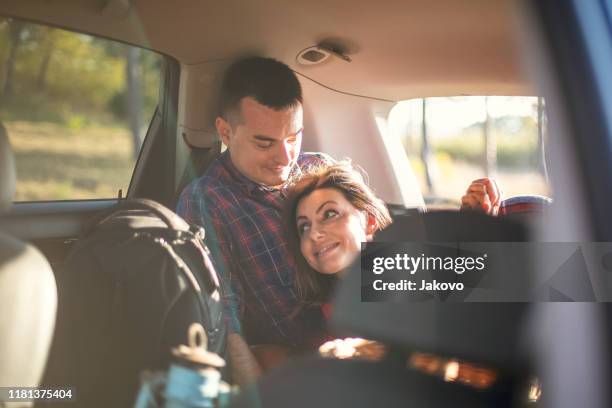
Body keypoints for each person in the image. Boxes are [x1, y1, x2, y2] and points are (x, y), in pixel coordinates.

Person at [176, 57, 332, 384]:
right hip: (296, 365)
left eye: (294, 137)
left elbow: (377, 253)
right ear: (225, 131)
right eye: (265, 142)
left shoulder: (320, 168)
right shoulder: (208, 200)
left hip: (367, 338)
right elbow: (224, 317)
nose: (286, 158)